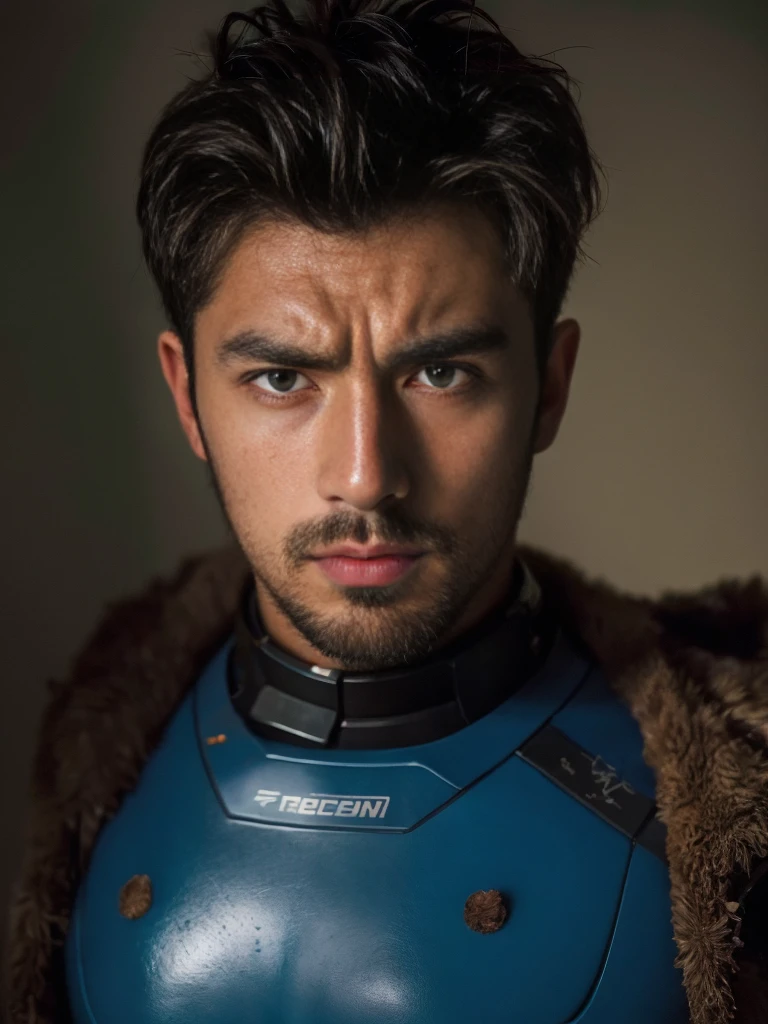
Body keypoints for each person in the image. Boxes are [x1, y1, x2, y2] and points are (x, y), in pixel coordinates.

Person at [4, 0, 767, 1021]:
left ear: (549, 384)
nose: (365, 478)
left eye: (441, 371)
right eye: (282, 379)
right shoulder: (96, 750)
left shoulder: (734, 814)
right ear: (189, 398)